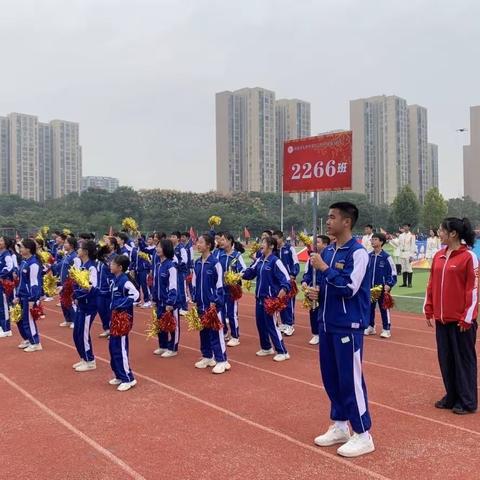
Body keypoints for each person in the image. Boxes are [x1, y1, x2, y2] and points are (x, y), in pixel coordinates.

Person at [309, 202, 374, 458]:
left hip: (349, 325)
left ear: (346, 222)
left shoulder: (358, 253)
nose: (327, 221)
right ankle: (339, 425)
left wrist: (324, 271)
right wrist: (316, 290)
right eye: (327, 217)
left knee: (350, 379)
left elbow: (349, 288)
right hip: (327, 324)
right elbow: (328, 285)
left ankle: (363, 433)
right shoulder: (328, 252)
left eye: (332, 217)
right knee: (331, 378)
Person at [424, 217, 478, 415]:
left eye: (441, 230)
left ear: (453, 234)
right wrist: (429, 308)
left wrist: (468, 316)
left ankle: (467, 401)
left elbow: (473, 288)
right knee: (446, 360)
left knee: (463, 361)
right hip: (442, 319)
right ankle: (452, 396)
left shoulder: (468, 257)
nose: (439, 233)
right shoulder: (439, 256)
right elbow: (431, 284)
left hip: (461, 321)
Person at [242, 236, 291, 362]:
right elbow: (249, 273)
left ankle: (282, 351)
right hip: (259, 299)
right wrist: (237, 275)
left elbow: (286, 278)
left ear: (271, 246)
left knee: (272, 325)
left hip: (270, 300)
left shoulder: (275, 261)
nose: (261, 244)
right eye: (261, 242)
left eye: (264, 242)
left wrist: (284, 288)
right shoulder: (260, 260)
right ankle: (266, 347)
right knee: (260, 324)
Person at [191, 233, 230, 374]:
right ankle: (207, 356)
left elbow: (220, 285)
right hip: (201, 304)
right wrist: (194, 297)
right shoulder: (197, 262)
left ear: (208, 245)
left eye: (200, 242)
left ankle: (222, 360)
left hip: (213, 305)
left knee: (216, 333)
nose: (197, 244)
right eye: (197, 242)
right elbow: (194, 283)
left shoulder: (215, 263)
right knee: (204, 332)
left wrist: (215, 300)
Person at [108, 254, 140, 391]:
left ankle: (128, 378)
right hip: (115, 318)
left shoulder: (125, 281)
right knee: (113, 347)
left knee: (120, 348)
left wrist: (121, 305)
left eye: (113, 263)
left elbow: (136, 295)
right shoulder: (116, 280)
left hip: (123, 319)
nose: (110, 265)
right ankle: (119, 375)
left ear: (120, 267)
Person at [72, 240, 98, 372]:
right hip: (82, 305)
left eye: (80, 248)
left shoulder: (91, 267)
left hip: (89, 306)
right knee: (76, 333)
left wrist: (77, 294)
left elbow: (91, 287)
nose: (78, 250)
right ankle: (83, 357)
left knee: (83, 333)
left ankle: (90, 360)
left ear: (86, 252)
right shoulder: (82, 266)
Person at [364, 233, 397, 338]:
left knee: (384, 308)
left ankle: (386, 329)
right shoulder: (369, 256)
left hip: (382, 288)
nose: (372, 241)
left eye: (375, 239)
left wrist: (389, 284)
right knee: (369, 308)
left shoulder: (387, 257)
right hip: (371, 288)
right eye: (372, 239)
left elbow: (393, 273)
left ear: (381, 242)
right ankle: (370, 326)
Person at [14, 239, 43, 352]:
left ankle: (35, 342)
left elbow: (34, 283)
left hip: (29, 296)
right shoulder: (24, 261)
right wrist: (17, 295)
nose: (20, 250)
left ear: (28, 249)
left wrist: (32, 299)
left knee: (28, 320)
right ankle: (28, 338)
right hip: (22, 295)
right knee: (21, 319)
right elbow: (22, 281)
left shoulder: (34, 263)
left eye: (21, 247)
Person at [218, 232, 247, 347]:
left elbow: (244, 270)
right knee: (221, 312)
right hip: (221, 289)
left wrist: (233, 276)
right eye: (220, 240)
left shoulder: (236, 255)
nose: (220, 242)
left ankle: (235, 336)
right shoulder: (219, 255)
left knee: (231, 313)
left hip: (232, 289)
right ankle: (224, 332)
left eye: (223, 239)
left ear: (230, 241)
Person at [152, 238, 179, 358]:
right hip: (159, 301)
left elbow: (173, 286)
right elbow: (155, 283)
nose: (157, 249)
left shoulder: (171, 266)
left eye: (159, 247)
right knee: (160, 324)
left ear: (166, 249)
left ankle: (173, 348)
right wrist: (154, 298)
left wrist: (170, 302)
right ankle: (162, 345)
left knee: (172, 325)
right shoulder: (158, 265)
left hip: (169, 302)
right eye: (157, 246)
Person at [302, 235, 330, 345]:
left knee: (327, 311)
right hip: (313, 289)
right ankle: (316, 334)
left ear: (325, 244)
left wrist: (320, 285)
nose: (315, 244)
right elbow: (308, 273)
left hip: (325, 288)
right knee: (313, 311)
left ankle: (326, 333)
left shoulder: (329, 257)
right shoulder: (312, 257)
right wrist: (305, 281)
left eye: (317, 242)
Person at [272, 230, 300, 337]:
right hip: (278, 281)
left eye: (275, 239)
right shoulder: (274, 251)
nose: (274, 241)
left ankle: (290, 324)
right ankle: (284, 323)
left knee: (289, 303)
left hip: (289, 280)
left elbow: (296, 262)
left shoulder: (289, 248)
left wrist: (293, 274)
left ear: (281, 238)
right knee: (281, 302)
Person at [58, 236, 81, 328]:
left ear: (71, 245)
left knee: (70, 302)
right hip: (63, 282)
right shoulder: (67, 255)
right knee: (63, 301)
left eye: (66, 243)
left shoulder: (75, 257)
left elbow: (77, 271)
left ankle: (75, 320)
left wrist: (72, 282)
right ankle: (68, 319)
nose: (64, 244)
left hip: (70, 283)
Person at [96, 243, 115, 338]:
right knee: (101, 309)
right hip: (99, 289)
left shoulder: (113, 259)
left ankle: (112, 330)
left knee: (109, 311)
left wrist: (111, 285)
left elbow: (113, 274)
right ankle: (106, 328)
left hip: (108, 290)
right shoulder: (100, 260)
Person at [170, 231, 189, 315]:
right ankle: (178, 306)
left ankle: (184, 307)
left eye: (174, 236)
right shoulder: (171, 248)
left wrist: (177, 265)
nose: (172, 238)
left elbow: (185, 260)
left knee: (181, 289)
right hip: (173, 271)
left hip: (180, 272)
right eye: (171, 236)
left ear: (178, 238)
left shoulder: (181, 248)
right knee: (175, 289)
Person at [0, 236, 14, 338]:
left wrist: (1, 275)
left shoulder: (7, 255)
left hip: (4, 284)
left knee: (4, 306)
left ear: (5, 243)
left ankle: (7, 329)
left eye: (1, 240)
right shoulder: (1, 254)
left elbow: (9, 267)